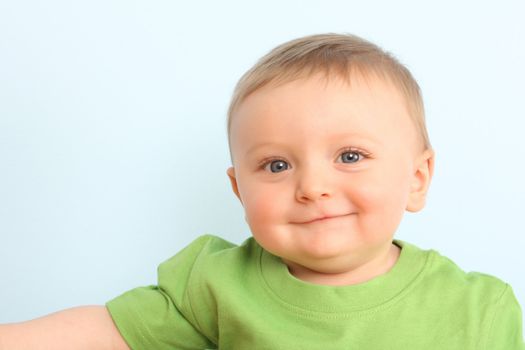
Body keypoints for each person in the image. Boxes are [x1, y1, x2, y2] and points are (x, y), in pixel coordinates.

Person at [0, 33, 523, 350]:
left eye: (349, 157)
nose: (313, 187)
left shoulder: (479, 308)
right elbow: (107, 334)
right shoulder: (217, 284)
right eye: (276, 165)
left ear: (417, 178)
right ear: (238, 189)